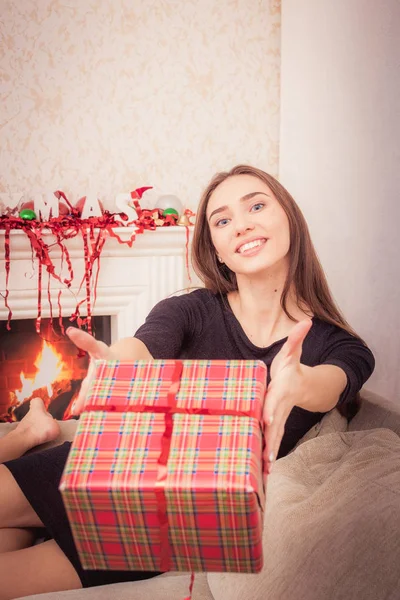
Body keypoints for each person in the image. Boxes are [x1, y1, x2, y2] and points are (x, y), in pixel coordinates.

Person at [0, 165, 374, 598]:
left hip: (166, 522)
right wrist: (114, 362)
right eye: (222, 220)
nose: (242, 224)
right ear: (216, 250)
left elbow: (331, 383)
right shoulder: (191, 309)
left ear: (289, 217)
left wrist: (296, 383)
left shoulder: (341, 345)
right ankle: (32, 445)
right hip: (111, 461)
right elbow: (143, 346)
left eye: (256, 205)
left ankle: (30, 459)